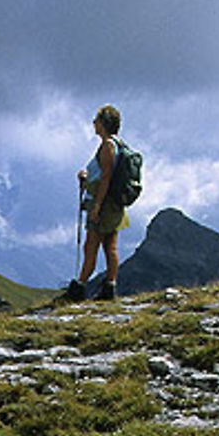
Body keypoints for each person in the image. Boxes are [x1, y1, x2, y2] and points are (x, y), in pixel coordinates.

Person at [67, 105, 129, 301]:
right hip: (114, 204)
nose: (94, 123)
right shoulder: (118, 144)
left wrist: (96, 207)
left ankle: (78, 289)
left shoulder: (107, 146)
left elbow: (105, 178)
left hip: (102, 203)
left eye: (97, 120)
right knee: (110, 246)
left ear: (104, 123)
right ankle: (109, 288)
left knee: (91, 246)